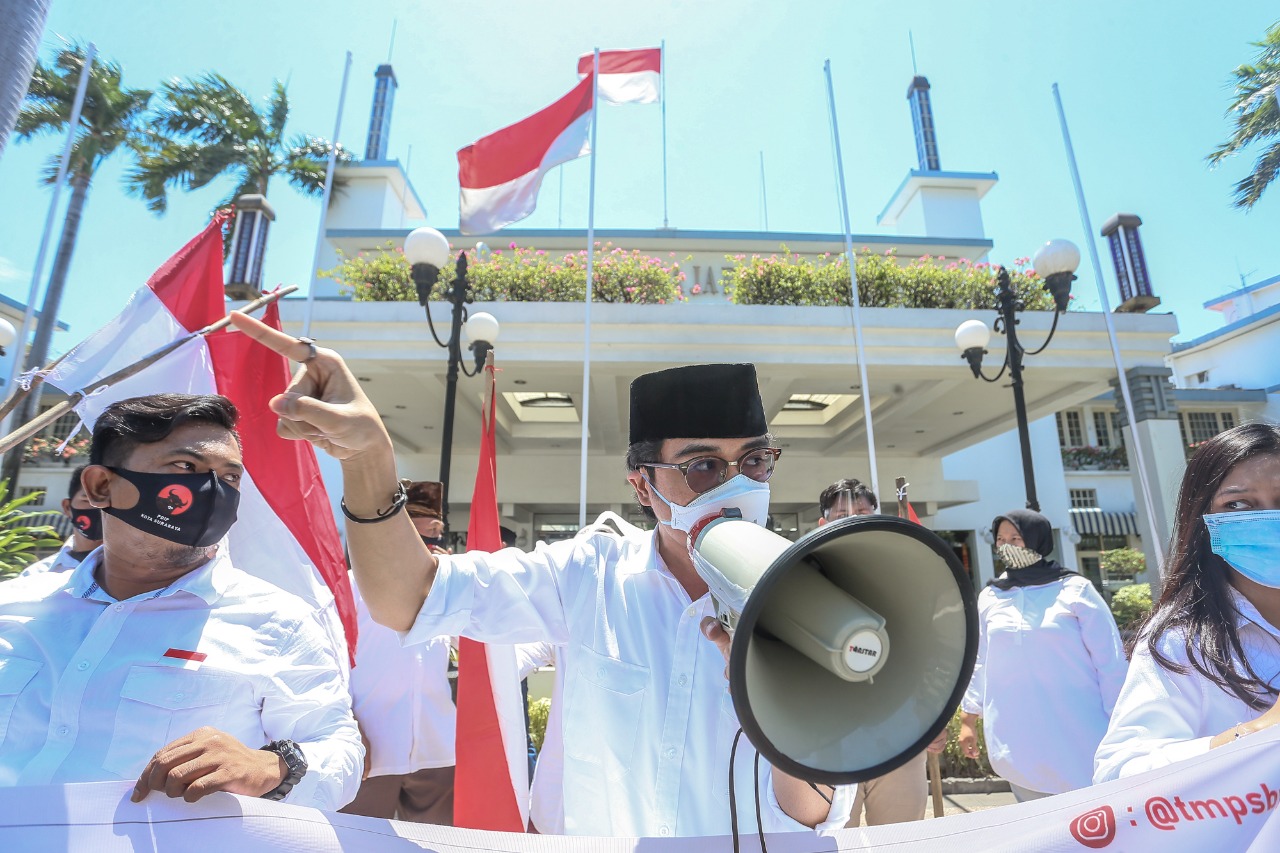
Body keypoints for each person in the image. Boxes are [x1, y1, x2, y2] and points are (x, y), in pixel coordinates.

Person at [228, 309, 854, 838]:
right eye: (701, 466)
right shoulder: (587, 576)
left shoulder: (814, 598)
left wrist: (776, 700)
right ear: (642, 484)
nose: (737, 484)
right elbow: (410, 598)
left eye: (755, 460)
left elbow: (814, 813)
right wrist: (371, 463)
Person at [0, 394, 362, 809]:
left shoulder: (277, 620)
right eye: (186, 467)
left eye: (230, 478)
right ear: (101, 486)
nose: (212, 491)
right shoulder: (12, 606)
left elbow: (340, 751)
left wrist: (273, 766)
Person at [1094, 422, 1280, 783]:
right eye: (1238, 504)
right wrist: (1256, 734)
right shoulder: (1179, 639)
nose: (1269, 518)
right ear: (1203, 520)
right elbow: (1118, 773)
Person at [958, 508, 1127, 801]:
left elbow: (1109, 661)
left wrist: (1123, 721)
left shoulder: (1075, 590)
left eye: (1016, 538)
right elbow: (980, 660)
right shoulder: (991, 596)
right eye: (1001, 539)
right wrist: (968, 718)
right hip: (1017, 734)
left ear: (1037, 540)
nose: (1007, 546)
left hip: (1080, 731)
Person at [816, 477, 945, 827]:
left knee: (900, 840)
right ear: (823, 523)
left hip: (900, 734)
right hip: (829, 742)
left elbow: (930, 653)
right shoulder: (802, 575)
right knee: (834, 843)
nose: (854, 518)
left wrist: (934, 713)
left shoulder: (906, 575)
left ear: (876, 513)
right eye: (843, 513)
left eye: (862, 511)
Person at [341, 480, 456, 823]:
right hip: (371, 746)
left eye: (437, 536)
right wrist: (347, 729)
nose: (432, 547)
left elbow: (480, 647)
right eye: (424, 537)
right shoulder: (348, 587)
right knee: (358, 842)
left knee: (437, 843)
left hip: (437, 746)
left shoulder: (449, 589)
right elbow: (326, 666)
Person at [20, 465, 103, 577]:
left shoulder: (132, 576)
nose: (99, 509)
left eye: (109, 503)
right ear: (67, 507)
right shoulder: (35, 575)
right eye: (87, 501)